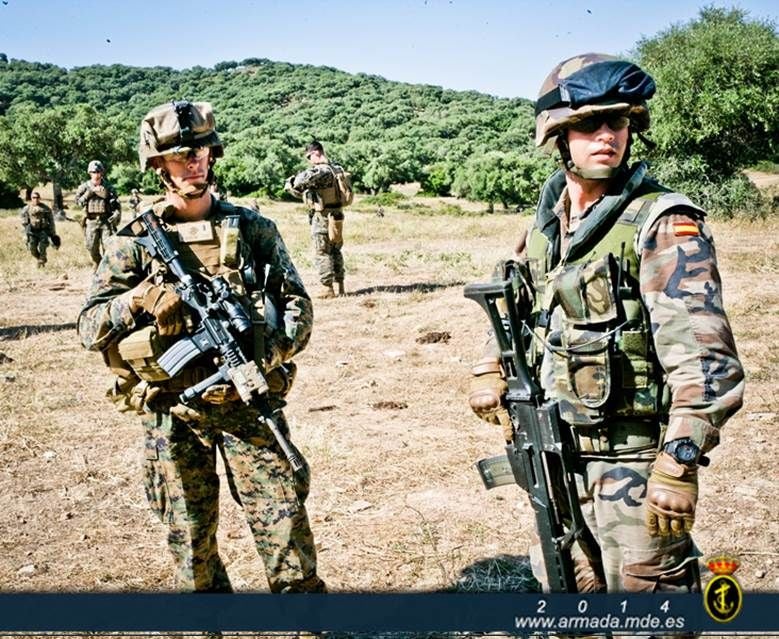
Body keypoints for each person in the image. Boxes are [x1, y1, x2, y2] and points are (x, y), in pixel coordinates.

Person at [468, 54, 744, 602]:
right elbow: (521, 304)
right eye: (588, 124)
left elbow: (707, 363)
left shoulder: (662, 223)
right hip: (554, 453)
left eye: (617, 122)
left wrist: (680, 461)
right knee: (568, 592)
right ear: (558, 136)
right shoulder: (548, 224)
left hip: (635, 464)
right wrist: (489, 366)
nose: (606, 136)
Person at [78, 100, 326, 594]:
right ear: (158, 165)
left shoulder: (253, 229)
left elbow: (297, 305)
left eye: (200, 153)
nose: (193, 164)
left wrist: (265, 354)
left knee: (285, 532)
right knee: (190, 541)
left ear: (212, 156)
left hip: (249, 406)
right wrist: (139, 299)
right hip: (173, 412)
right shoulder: (133, 244)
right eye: (179, 157)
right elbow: (89, 327)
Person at [285, 141, 351, 299]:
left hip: (323, 216)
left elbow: (299, 182)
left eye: (309, 156)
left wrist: (290, 182)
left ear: (316, 153)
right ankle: (340, 285)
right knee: (336, 250)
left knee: (322, 251)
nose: (309, 160)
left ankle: (327, 288)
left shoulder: (321, 171)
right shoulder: (337, 169)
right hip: (337, 215)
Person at [75, 159, 121, 267]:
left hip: (105, 221)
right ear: (89, 173)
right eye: (94, 172)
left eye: (98, 172)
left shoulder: (108, 187)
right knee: (91, 247)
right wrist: (88, 194)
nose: (96, 175)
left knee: (108, 246)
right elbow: (78, 202)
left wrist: (116, 214)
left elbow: (117, 204)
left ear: (102, 173)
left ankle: (106, 269)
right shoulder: (84, 187)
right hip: (91, 221)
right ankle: (98, 263)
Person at [20, 191, 57, 267]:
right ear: (31, 198)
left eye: (37, 197)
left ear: (39, 198)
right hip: (32, 232)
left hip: (43, 231)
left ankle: (42, 260)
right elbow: (23, 220)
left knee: (42, 247)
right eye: (34, 197)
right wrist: (25, 228)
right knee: (32, 249)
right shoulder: (27, 208)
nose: (36, 199)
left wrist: (52, 232)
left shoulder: (45, 208)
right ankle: (40, 259)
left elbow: (51, 220)